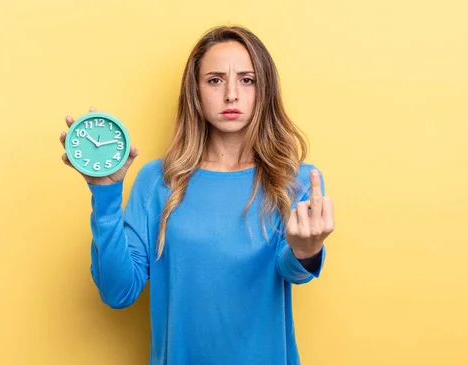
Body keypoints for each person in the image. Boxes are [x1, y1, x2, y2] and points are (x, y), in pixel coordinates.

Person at [59, 25, 335, 365]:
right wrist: (105, 194)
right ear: (195, 91)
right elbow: (118, 292)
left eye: (247, 80)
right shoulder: (158, 181)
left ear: (265, 91)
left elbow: (292, 271)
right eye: (215, 80)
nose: (231, 94)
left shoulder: (295, 181)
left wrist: (307, 250)